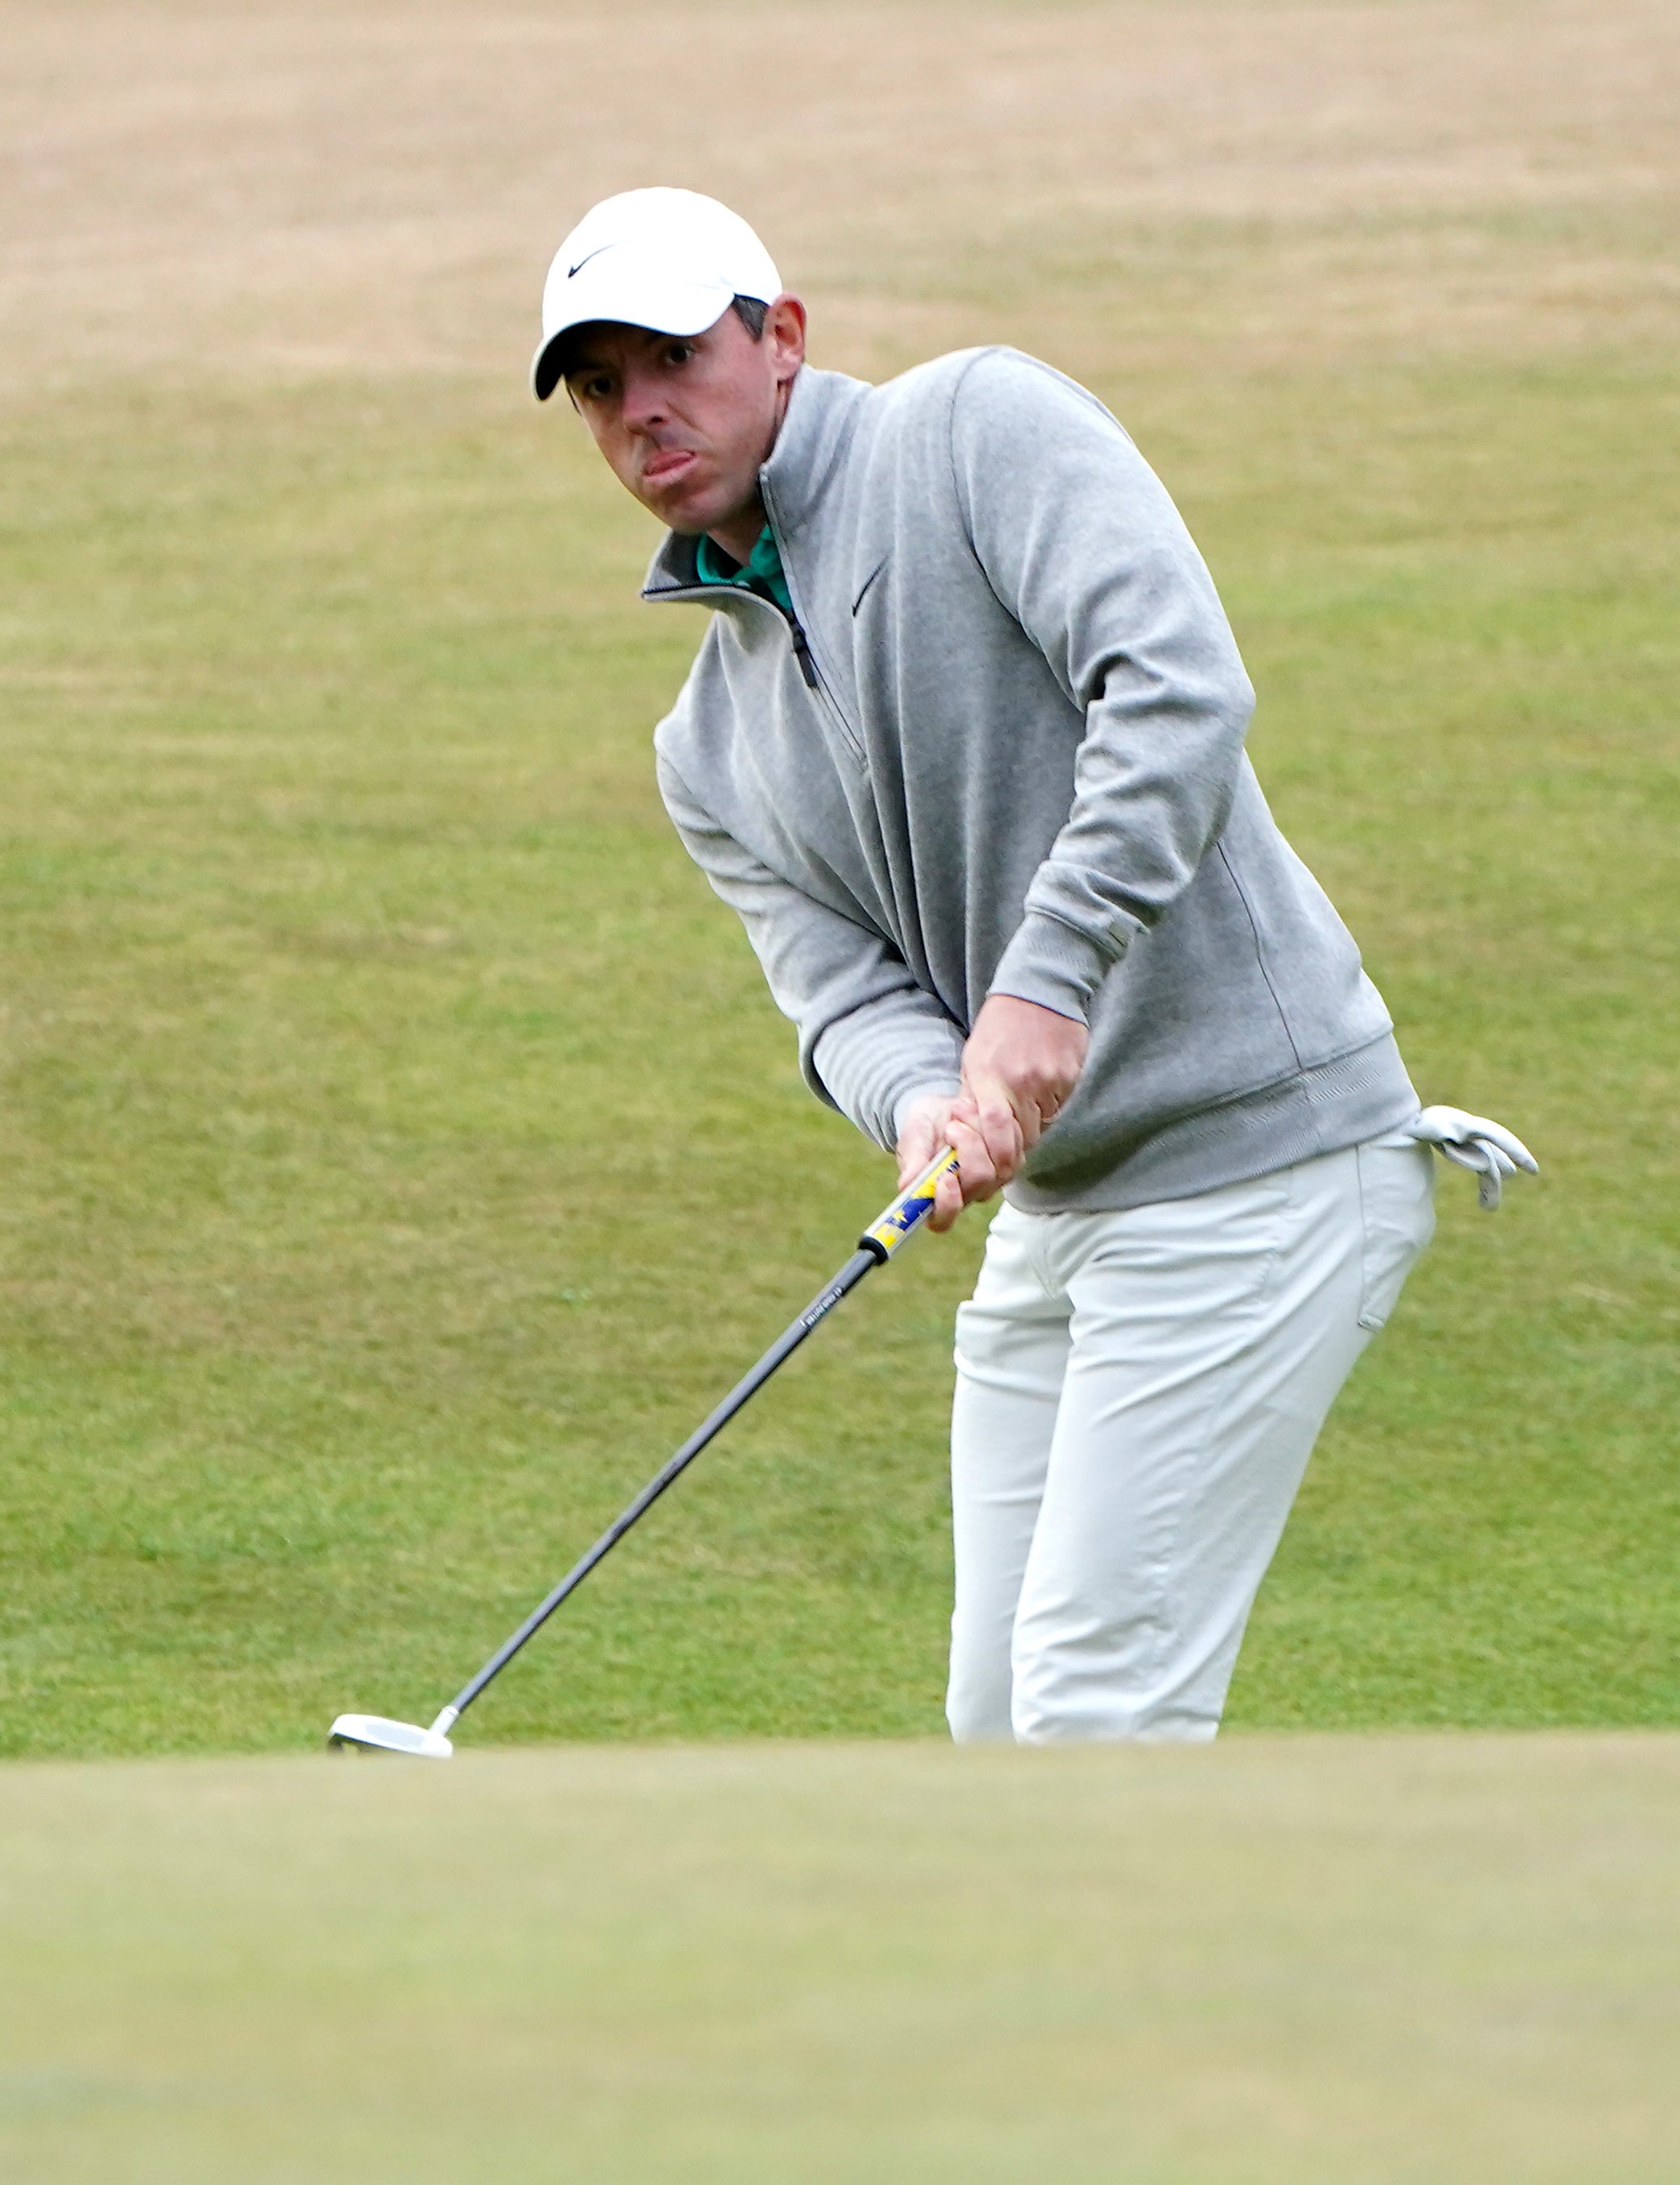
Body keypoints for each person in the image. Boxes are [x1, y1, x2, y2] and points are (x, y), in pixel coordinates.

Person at [531, 187, 1531, 1743]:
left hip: (1255, 1163)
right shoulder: (703, 745)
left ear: (780, 339)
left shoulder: (972, 431)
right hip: (1062, 1220)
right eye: (599, 385)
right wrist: (924, 1101)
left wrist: (1048, 976)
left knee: (1092, 1709)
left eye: (671, 352)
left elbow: (1177, 689)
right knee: (996, 1727)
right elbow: (841, 995)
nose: (641, 409)